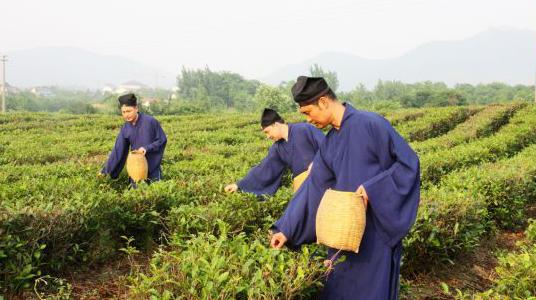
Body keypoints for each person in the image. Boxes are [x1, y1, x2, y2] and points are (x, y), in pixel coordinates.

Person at [270, 76, 420, 299]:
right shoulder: (329, 142)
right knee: (337, 287)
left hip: (375, 234)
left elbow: (409, 164)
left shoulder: (371, 124)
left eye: (308, 112)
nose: (308, 119)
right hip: (343, 234)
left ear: (323, 102)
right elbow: (315, 187)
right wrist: (286, 229)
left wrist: (374, 189)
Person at [224, 108, 324, 197]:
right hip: (303, 188)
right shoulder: (277, 148)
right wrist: (239, 185)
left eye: (267, 131)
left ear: (276, 124)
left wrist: (317, 162)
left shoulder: (305, 129)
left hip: (324, 180)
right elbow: (264, 169)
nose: (268, 136)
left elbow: (328, 147)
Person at [101, 93, 167, 182]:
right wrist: (105, 172)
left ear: (136, 108)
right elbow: (118, 151)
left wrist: (147, 148)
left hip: (152, 168)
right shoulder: (125, 128)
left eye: (129, 111)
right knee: (136, 193)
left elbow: (162, 140)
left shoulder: (150, 121)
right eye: (123, 112)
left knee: (154, 193)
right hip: (135, 168)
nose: (126, 115)